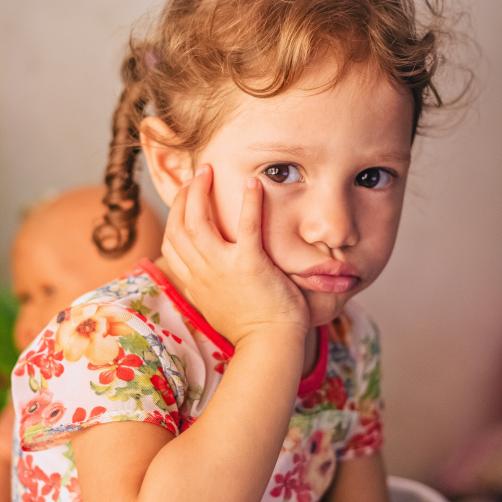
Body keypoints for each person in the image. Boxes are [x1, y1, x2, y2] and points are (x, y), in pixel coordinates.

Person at [10, 1, 472, 501]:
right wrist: (270, 338)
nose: (335, 228)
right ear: (172, 168)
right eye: (280, 171)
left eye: (371, 177)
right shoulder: (110, 341)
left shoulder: (348, 338)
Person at [0, 185, 163, 501]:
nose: (25, 323)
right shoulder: (35, 387)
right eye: (24, 300)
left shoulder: (134, 375)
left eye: (46, 291)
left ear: (121, 285)